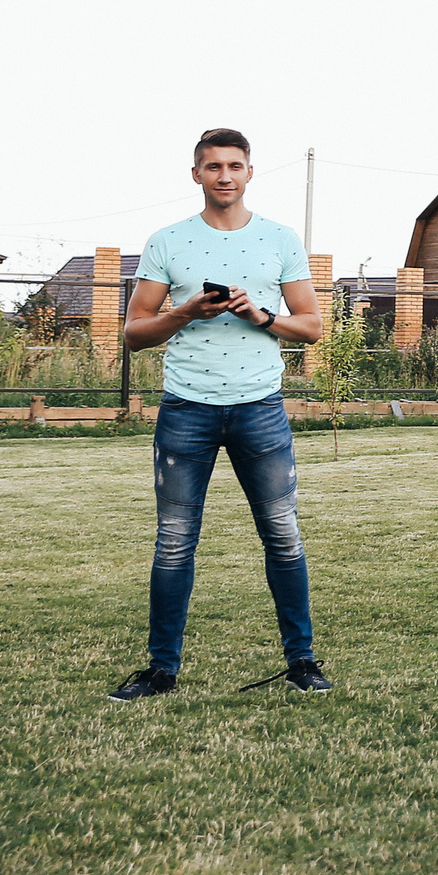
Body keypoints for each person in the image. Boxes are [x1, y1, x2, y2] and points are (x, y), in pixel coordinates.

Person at [109, 128, 327, 702]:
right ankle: (161, 670)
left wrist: (261, 315)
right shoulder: (167, 241)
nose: (224, 175)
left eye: (234, 166)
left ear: (250, 172)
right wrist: (185, 312)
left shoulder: (279, 239)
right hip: (187, 411)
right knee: (175, 542)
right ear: (196, 175)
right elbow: (133, 333)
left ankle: (302, 662)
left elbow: (311, 325)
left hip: (260, 409)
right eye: (213, 167)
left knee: (283, 535)